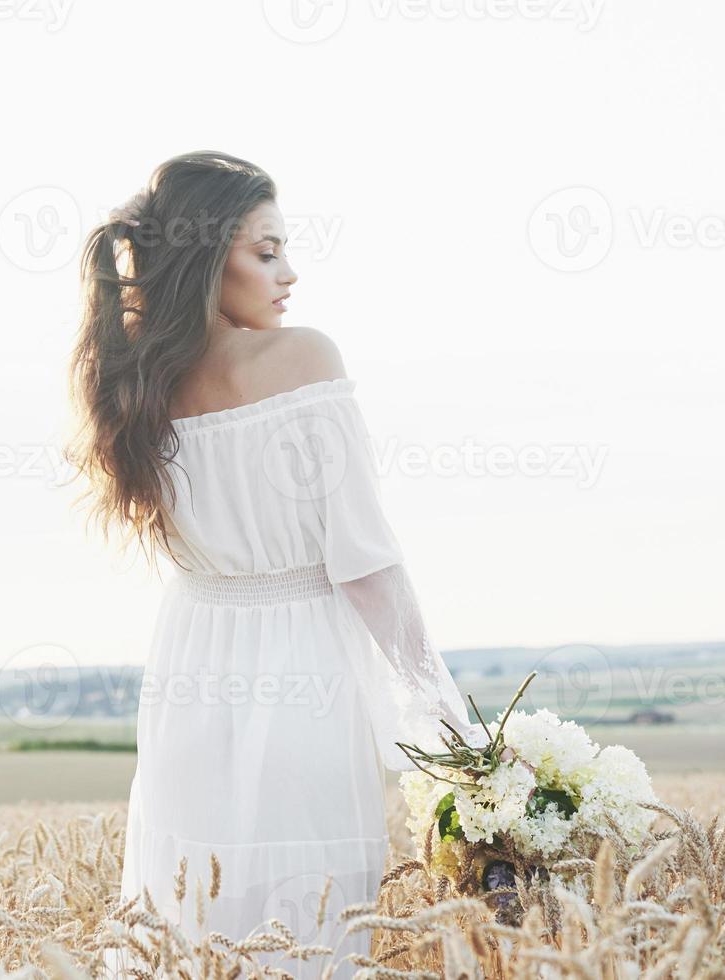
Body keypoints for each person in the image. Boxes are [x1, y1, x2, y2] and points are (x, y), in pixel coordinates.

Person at [64, 151, 488, 978]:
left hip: (190, 669)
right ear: (205, 254)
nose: (289, 273)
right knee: (311, 928)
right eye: (266, 251)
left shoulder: (137, 387)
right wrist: (445, 714)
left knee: (187, 919)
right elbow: (364, 562)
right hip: (306, 669)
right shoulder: (302, 358)